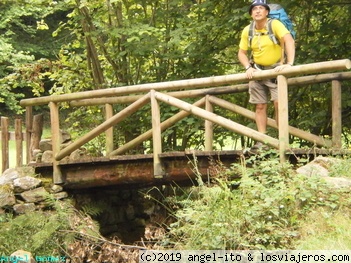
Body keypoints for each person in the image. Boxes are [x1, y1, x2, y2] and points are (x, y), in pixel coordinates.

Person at [238, 0, 295, 149]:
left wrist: (289, 64)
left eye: (261, 8)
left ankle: (281, 140)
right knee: (260, 106)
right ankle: (262, 140)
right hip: (256, 71)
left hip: (276, 70)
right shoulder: (247, 30)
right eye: (254, 9)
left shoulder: (274, 24)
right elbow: (241, 53)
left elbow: (288, 40)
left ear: (267, 12)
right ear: (251, 13)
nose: (257, 11)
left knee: (278, 104)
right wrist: (247, 68)